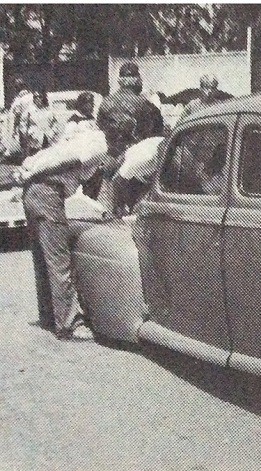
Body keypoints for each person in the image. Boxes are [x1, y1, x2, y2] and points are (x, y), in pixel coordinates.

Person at [9, 127, 109, 340]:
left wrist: (29, 174)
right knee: (59, 260)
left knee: (43, 257)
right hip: (48, 190)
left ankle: (49, 316)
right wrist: (34, 173)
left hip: (34, 190)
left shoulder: (83, 135)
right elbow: (70, 162)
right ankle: (69, 324)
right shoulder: (100, 145)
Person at [97, 61, 164, 159]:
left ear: (120, 81)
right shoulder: (146, 105)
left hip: (111, 158)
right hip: (135, 160)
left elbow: (100, 127)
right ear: (137, 81)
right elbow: (156, 135)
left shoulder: (105, 102)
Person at [23, 90, 59, 156]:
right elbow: (23, 124)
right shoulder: (29, 111)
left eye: (39, 97)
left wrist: (52, 133)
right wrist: (30, 133)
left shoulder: (49, 110)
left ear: (43, 98)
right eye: (35, 97)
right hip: (35, 140)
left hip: (48, 138)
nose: (38, 99)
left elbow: (55, 124)